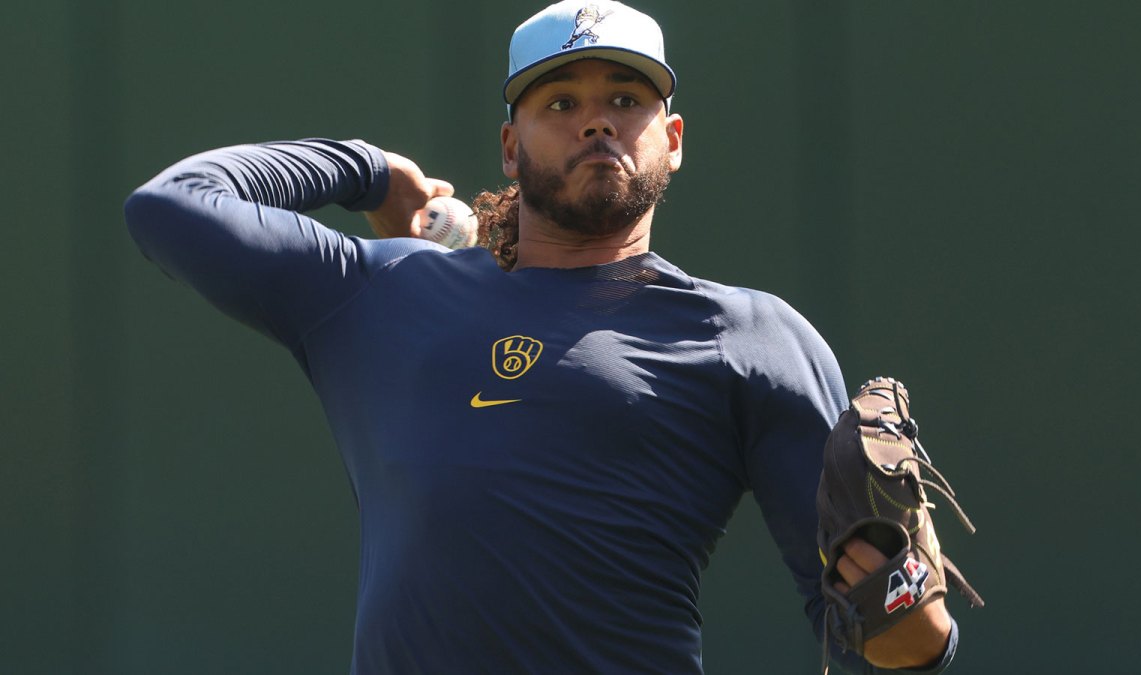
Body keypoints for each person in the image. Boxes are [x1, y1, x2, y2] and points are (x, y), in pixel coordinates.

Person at [124, 1, 958, 672]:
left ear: (672, 141)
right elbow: (172, 207)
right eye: (561, 102)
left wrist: (912, 606)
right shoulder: (380, 290)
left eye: (625, 100)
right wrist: (367, 170)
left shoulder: (747, 335)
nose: (596, 122)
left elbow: (887, 641)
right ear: (510, 149)